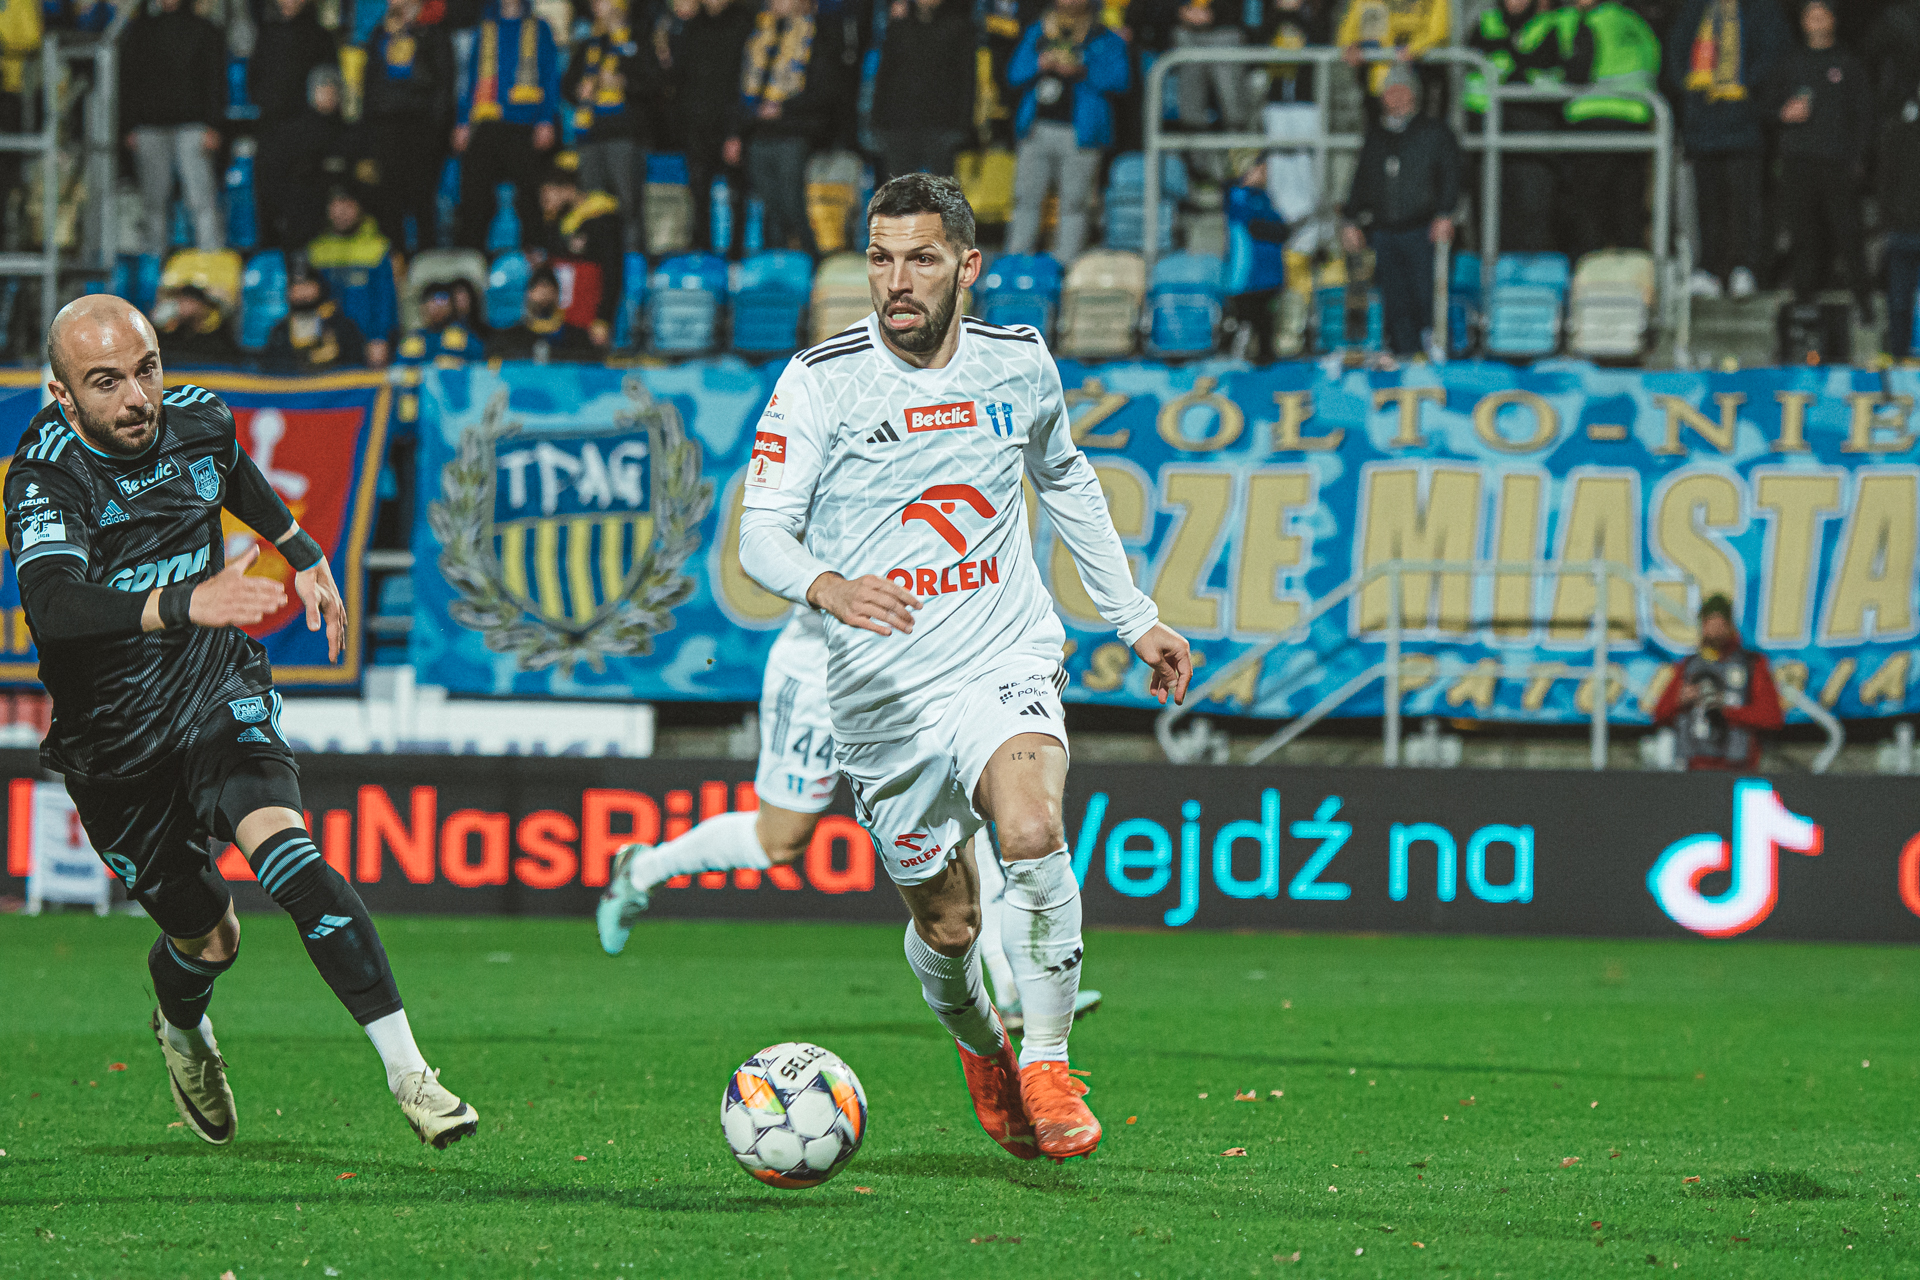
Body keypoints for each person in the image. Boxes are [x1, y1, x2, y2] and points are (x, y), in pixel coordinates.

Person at [736, 173, 1192, 1162]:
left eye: (922, 258)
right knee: (949, 924)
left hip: (1001, 653)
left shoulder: (1018, 362)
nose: (897, 281)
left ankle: (1049, 1063)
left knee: (1030, 828)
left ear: (967, 266)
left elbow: (1064, 475)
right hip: (881, 693)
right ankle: (985, 1050)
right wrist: (825, 585)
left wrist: (1135, 617)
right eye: (881, 258)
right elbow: (760, 531)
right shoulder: (819, 379)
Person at [6, 296, 476, 1149]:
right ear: (63, 396)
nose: (137, 399)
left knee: (289, 856)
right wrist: (185, 601)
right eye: (106, 384)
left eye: (146, 370)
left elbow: (235, 475)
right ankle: (183, 1031)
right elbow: (55, 603)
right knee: (210, 939)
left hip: (214, 690)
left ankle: (412, 1075)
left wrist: (305, 556)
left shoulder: (198, 420)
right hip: (115, 747)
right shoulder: (46, 476)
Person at [593, 609, 1105, 1034]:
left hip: (910, 671)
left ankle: (1011, 987)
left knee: (959, 811)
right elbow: (771, 555)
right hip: (819, 671)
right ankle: (640, 870)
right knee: (779, 841)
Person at [1664, 0, 1788, 299]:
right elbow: (1676, 56)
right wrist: (1692, 89)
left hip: (1745, 123)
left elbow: (1774, 58)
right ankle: (1709, 270)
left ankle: (1744, 268)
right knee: (1707, 203)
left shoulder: (1761, 10)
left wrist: (1745, 89)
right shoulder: (1694, 10)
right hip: (1703, 123)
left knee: (1745, 204)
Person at [1339, 63, 1458, 362]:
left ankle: (1437, 351)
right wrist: (1350, 219)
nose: (1395, 98)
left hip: (1422, 229)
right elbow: (1361, 179)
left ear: (1413, 95)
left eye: (1401, 91)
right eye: (1390, 92)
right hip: (1384, 230)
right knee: (1394, 298)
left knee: (1427, 294)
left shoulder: (1434, 133)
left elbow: (1451, 175)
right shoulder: (1376, 136)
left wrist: (1445, 213)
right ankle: (1403, 354)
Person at [1766, 0, 1870, 316]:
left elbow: (1864, 115)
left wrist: (1858, 158)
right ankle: (1804, 302)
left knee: (1848, 232)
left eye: (1822, 15)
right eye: (1811, 16)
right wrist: (1783, 113)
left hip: (1837, 161)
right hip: (1798, 160)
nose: (1817, 22)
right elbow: (1766, 107)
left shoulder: (1848, 64)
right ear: (1803, 22)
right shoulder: (1789, 64)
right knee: (1803, 234)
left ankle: (1864, 302)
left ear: (1833, 20)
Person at [1005, 0, 1130, 263]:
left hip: (1081, 133)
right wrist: (1040, 63)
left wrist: (1082, 69)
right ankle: (1017, 262)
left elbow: (1120, 80)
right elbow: (1014, 74)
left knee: (1075, 203)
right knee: (1026, 199)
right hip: (1037, 129)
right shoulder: (1038, 31)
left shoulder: (1102, 36)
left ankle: (1067, 265)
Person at [723, 0, 848, 255]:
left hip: (793, 132)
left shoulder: (818, 34)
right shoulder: (757, 34)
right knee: (770, 206)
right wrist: (735, 132)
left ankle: (811, 258)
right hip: (757, 132)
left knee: (791, 201)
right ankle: (777, 264)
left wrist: (784, 109)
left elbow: (826, 90)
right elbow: (740, 89)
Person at [120, 0, 228, 258]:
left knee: (201, 200)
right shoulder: (140, 31)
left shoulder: (204, 30)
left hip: (194, 126)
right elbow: (128, 82)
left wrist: (213, 125)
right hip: (149, 127)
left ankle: (211, 264)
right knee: (153, 204)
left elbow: (215, 80)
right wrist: (129, 126)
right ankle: (154, 267)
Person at [453, 0, 564, 252]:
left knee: (529, 195)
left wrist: (546, 119)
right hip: (487, 122)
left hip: (524, 124)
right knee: (474, 193)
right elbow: (472, 79)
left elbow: (550, 75)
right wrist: (463, 122)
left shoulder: (540, 28)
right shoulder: (485, 28)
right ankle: (471, 254)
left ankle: (533, 253)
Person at [1559, 0, 1661, 258]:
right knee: (1628, 206)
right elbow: (1654, 62)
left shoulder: (1586, 22)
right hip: (1634, 121)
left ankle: (1591, 266)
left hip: (1592, 121)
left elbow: (1576, 73)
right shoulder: (1633, 22)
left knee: (1589, 208)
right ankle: (1631, 270)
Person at [358, 0, 457, 253]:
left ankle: (426, 264)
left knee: (422, 201)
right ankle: (396, 264)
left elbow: (444, 85)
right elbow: (369, 85)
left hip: (421, 126)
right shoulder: (380, 33)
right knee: (389, 202)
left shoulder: (433, 31)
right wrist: (368, 133)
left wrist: (437, 130)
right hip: (385, 128)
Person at [1464, 0, 1564, 253]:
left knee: (1532, 206)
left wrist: (1509, 64)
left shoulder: (1549, 24)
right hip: (1487, 125)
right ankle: (1492, 268)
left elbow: (1552, 71)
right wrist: (1519, 65)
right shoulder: (1486, 23)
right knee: (1489, 206)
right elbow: (1474, 71)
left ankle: (1530, 269)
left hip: (1533, 129)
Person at [564, 0, 658, 253]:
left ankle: (632, 259)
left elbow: (655, 83)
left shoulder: (638, 40)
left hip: (624, 134)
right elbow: (567, 85)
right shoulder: (590, 44)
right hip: (591, 134)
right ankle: (599, 259)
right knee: (592, 203)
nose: (596, 5)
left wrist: (623, 82)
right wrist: (578, 91)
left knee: (628, 204)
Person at [1652, 593, 1783, 771]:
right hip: (1693, 768)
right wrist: (1680, 701)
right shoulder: (1689, 665)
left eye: (1719, 623)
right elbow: (1659, 714)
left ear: (1729, 625)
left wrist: (1725, 711)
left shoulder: (1752, 664)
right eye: (1709, 623)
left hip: (1737, 767)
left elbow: (1772, 717)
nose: (1714, 629)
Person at [668, 0, 755, 255]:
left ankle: (736, 253)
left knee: (736, 192)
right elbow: (679, 75)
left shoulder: (744, 24)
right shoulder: (691, 26)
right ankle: (702, 251)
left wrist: (736, 130)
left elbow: (744, 82)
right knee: (698, 190)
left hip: (730, 124)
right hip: (696, 124)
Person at [250, 0, 338, 250]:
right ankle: (271, 260)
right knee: (267, 200)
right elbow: (254, 79)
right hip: (271, 130)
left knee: (303, 205)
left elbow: (328, 93)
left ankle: (305, 265)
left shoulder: (320, 36)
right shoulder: (267, 34)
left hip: (307, 133)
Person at [871, 0, 976, 181]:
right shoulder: (900, 27)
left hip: (942, 127)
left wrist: (961, 127)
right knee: (900, 193)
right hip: (900, 126)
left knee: (938, 194)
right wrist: (878, 120)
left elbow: (967, 80)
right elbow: (885, 74)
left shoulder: (959, 29)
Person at [258, 67, 357, 253]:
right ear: (312, 93)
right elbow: (282, 182)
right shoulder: (295, 134)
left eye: (333, 89)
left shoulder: (349, 133)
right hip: (306, 214)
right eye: (323, 88)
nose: (329, 94)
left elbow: (353, 174)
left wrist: (345, 199)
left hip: (343, 208)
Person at [1256, 0, 1331, 237]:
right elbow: (1257, 42)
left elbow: (1322, 39)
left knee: (1307, 167)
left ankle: (1310, 236)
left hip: (1308, 102)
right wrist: (1281, 13)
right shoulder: (1269, 13)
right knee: (1279, 165)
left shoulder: (1318, 11)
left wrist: (1297, 13)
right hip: (1276, 102)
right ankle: (1283, 228)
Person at [532, 161, 624, 347]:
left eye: (547, 196)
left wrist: (603, 319)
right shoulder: (556, 223)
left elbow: (612, 272)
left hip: (588, 323)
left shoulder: (601, 219)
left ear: (568, 189)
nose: (544, 204)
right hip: (559, 322)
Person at [306, 186, 400, 367]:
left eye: (348, 204)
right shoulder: (317, 249)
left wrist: (380, 337)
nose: (341, 211)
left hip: (367, 345)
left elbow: (385, 299)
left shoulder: (377, 247)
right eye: (335, 204)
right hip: (326, 344)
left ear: (359, 207)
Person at [1224, 155, 1287, 362]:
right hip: (1248, 274)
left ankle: (1263, 359)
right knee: (1247, 319)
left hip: (1269, 274)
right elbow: (1257, 226)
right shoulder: (1238, 196)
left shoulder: (1264, 197)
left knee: (1265, 322)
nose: (1265, 174)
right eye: (1260, 169)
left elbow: (1280, 227)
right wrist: (1275, 229)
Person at [1338, 0, 1451, 114]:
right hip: (1380, 72)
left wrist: (1414, 48)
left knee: (1427, 116)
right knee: (1377, 114)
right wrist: (1348, 43)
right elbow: (1356, 20)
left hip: (1424, 68)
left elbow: (1439, 30)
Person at [265, 262, 370, 371]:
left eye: (308, 284)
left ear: (319, 287)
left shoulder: (341, 326)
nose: (302, 291)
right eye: (296, 286)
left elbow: (356, 366)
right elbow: (276, 372)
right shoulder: (281, 332)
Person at [1879, 92, 1920, 360]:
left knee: (1900, 302)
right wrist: (1890, 220)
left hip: (1901, 228)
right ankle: (1898, 357)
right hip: (1903, 231)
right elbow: (1886, 179)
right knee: (1898, 303)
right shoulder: (1899, 131)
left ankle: (1900, 355)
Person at [487, 263, 598, 359]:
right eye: (538, 286)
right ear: (529, 294)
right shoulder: (510, 337)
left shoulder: (577, 338)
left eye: (549, 286)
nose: (544, 291)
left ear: (557, 294)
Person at [151, 283, 238, 367]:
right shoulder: (167, 339)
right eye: (182, 301)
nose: (185, 306)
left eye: (191, 301)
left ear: (202, 306)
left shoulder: (218, 340)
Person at [397, 282, 480, 366]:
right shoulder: (414, 339)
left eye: (443, 301)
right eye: (432, 300)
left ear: (451, 306)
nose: (437, 306)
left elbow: (479, 365)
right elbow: (400, 368)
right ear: (422, 307)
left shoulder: (462, 336)